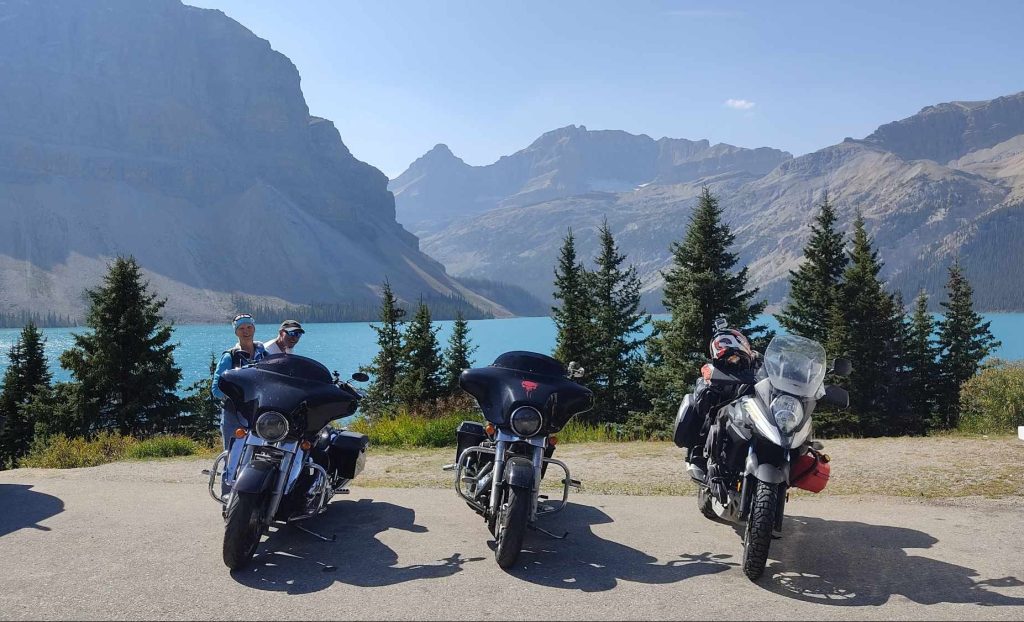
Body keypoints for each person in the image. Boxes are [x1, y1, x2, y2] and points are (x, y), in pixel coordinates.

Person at [212, 313, 269, 495]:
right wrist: (237, 396)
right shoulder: (229, 357)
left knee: (258, 455)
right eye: (241, 329)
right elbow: (216, 388)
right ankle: (227, 497)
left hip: (257, 414)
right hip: (233, 414)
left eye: (249, 327)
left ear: (254, 328)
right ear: (236, 332)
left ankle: (250, 498)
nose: (246, 332)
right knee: (233, 456)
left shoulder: (264, 354)